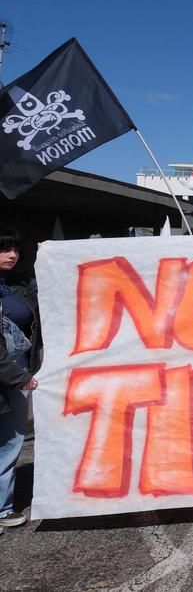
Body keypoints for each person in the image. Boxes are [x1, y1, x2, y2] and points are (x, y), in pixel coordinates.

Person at [0, 225, 40, 531]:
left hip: (16, 377)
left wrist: (49, 256)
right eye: (4, 249)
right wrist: (19, 378)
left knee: (11, 444)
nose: (11, 255)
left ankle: (3, 508)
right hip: (12, 377)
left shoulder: (12, 286)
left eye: (15, 249)